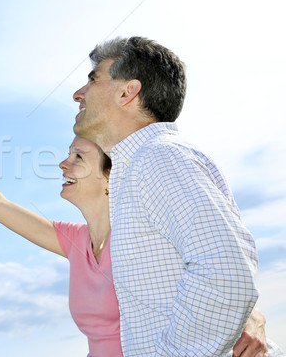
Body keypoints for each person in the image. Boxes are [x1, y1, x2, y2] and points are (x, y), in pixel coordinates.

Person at [0, 125, 272, 356]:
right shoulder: (73, 241)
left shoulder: (144, 238)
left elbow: (220, 261)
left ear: (112, 177)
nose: (63, 163)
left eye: (78, 158)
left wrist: (255, 313)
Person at [72, 36, 283, 356]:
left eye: (92, 79)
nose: (79, 93)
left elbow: (226, 272)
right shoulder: (138, 167)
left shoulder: (158, 158)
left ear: (128, 91)